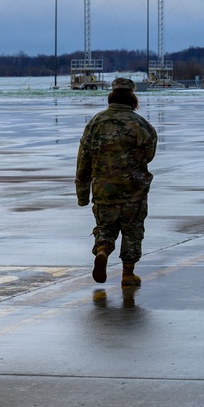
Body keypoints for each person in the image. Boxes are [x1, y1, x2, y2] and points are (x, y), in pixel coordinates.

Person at [75, 77, 158, 286]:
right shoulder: (140, 124)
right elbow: (149, 154)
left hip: (104, 190)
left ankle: (102, 249)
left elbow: (83, 160)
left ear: (111, 96)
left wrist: (82, 195)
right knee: (132, 230)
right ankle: (128, 274)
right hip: (134, 190)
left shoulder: (95, 123)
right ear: (132, 97)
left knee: (105, 227)